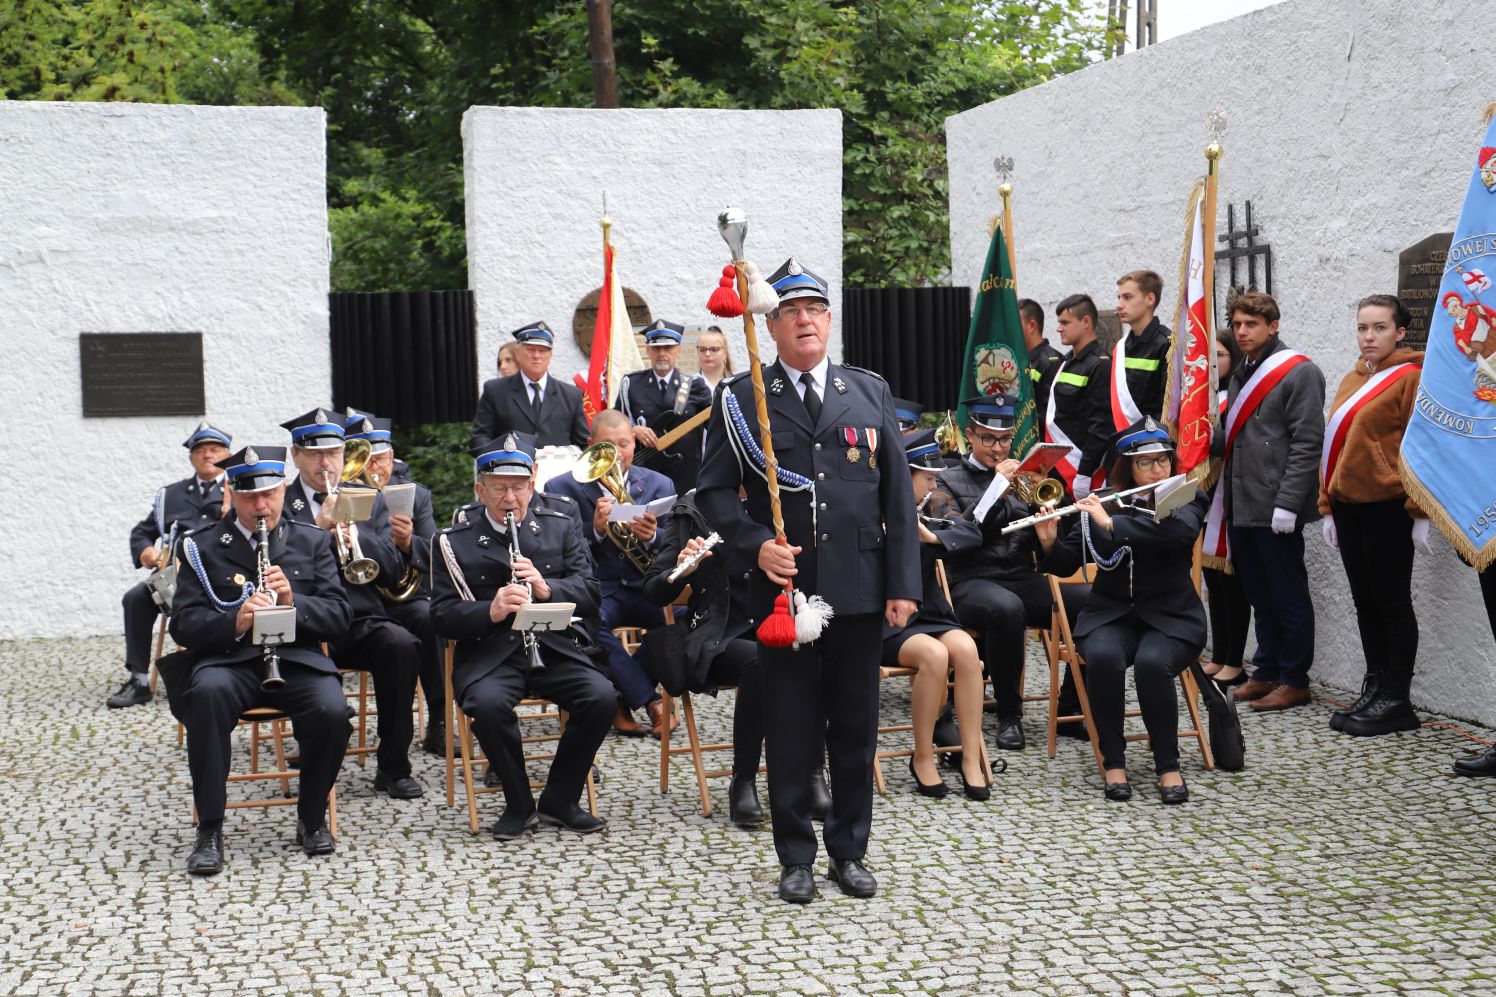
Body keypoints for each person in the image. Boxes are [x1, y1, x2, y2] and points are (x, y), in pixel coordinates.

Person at [696, 256, 919, 905]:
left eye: (814, 309)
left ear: (828, 319)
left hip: (858, 589)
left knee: (854, 730)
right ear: (772, 323)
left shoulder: (867, 390)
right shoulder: (742, 398)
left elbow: (897, 498)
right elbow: (711, 493)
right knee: (791, 730)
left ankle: (849, 850)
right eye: (790, 310)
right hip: (783, 598)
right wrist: (755, 544)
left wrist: (903, 584)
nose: (804, 320)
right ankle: (794, 855)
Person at [169, 445, 353, 874]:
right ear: (232, 493)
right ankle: (209, 828)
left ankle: (311, 818)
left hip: (296, 660)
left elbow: (340, 616)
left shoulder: (310, 540)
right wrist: (236, 620)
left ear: (282, 489)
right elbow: (184, 624)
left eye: (269, 495)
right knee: (207, 696)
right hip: (229, 662)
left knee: (332, 710)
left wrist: (293, 600)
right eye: (250, 497)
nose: (261, 506)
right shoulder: (202, 547)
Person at [430, 434, 613, 839]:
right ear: (480, 490)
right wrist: (490, 610)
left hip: (554, 645)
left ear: (532, 485)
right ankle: (518, 803)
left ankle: (560, 799)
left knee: (601, 697)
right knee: (488, 706)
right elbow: (440, 616)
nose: (510, 497)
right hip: (491, 654)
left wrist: (548, 588)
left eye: (518, 486)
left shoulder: (560, 528)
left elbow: (592, 593)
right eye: (499, 488)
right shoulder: (451, 541)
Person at [1040, 418, 1211, 804]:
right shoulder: (1104, 500)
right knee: (1102, 657)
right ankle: (1113, 762)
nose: (1157, 470)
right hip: (1111, 614)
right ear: (1127, 468)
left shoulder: (1186, 497)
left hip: (1172, 618)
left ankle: (1168, 766)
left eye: (1163, 461)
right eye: (1146, 463)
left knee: (1153, 663)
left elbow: (1179, 535)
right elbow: (1069, 562)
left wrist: (1113, 524)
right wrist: (1050, 542)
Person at [279, 408, 425, 798]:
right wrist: (318, 529)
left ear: (345, 455)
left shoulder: (368, 498)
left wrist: (356, 530)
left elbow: (394, 570)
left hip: (356, 617)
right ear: (296, 456)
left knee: (401, 644)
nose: (325, 463)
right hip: (303, 622)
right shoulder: (278, 499)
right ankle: (315, 758)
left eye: (333, 453)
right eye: (315, 454)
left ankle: (394, 765)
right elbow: (271, 565)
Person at [941, 395, 1089, 750]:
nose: (997, 447)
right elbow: (957, 537)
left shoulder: (1027, 479)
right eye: (988, 438)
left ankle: (1072, 708)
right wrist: (995, 489)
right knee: (1006, 608)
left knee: (1093, 600)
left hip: (1021, 576)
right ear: (970, 437)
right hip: (970, 580)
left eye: (1005, 439)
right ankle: (1010, 715)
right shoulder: (947, 479)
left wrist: (1050, 542)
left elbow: (1065, 563)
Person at [1319, 295, 1427, 736]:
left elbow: (1422, 450)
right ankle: (1375, 684)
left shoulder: (1412, 378)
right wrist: (1327, 506)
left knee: (1392, 601)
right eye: (1363, 328)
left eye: (1379, 328)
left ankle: (1397, 698)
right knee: (1365, 602)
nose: (1369, 337)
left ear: (1400, 332)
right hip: (1349, 507)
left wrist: (1419, 512)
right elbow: (1335, 447)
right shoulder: (1353, 379)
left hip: (1388, 506)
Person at [1219, 293, 1327, 712]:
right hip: (1241, 502)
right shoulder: (1242, 372)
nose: (1242, 332)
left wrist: (1287, 502)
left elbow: (1307, 443)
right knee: (1258, 594)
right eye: (1238, 324)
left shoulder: (1298, 372)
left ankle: (1294, 678)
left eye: (1251, 324)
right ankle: (1265, 671)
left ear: (1273, 326)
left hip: (1275, 506)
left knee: (1287, 595)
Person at [545, 409, 677, 737]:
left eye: (624, 443)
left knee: (683, 619)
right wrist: (595, 533)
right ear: (590, 446)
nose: (617, 453)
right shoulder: (561, 488)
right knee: (585, 622)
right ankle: (651, 701)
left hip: (645, 584)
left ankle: (621, 695)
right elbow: (559, 556)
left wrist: (654, 537)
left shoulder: (660, 483)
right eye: (607, 446)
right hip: (600, 588)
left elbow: (676, 543)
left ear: (634, 442)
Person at [640, 490, 766, 827]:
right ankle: (744, 780)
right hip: (720, 634)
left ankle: (812, 773)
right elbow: (654, 589)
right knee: (762, 662)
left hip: (779, 620)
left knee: (818, 652)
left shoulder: (782, 496)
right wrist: (684, 568)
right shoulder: (694, 508)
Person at [883, 430, 990, 799]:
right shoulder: (875, 508)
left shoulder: (933, 505)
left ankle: (970, 756)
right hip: (887, 620)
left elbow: (971, 533)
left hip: (929, 611)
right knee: (935, 655)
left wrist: (932, 536)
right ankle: (924, 755)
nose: (934, 483)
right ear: (903, 475)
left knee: (966, 651)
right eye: (927, 477)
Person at [343, 409, 445, 754]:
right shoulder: (341, 495)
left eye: (383, 459)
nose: (376, 468)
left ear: (392, 456)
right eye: (368, 460)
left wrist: (408, 544)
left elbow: (437, 554)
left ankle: (440, 721)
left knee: (430, 619)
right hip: (354, 597)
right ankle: (319, 725)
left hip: (402, 597)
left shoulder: (415, 494)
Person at [111, 421, 232, 709]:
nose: (207, 455)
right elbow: (142, 531)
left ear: (229, 455)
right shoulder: (172, 494)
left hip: (225, 578)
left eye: (215, 449)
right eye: (200, 451)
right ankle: (139, 679)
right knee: (136, 598)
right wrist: (146, 551)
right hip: (176, 577)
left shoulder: (240, 490)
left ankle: (214, 670)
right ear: (191, 458)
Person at [1201, 331, 1251, 688]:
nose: (1213, 362)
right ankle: (1218, 655)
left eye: (1219, 354)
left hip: (1229, 497)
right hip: (1205, 499)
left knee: (1233, 586)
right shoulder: (1203, 397)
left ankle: (1235, 660)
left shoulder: (1235, 396)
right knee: (1213, 583)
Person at [616, 319, 714, 496]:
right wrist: (633, 429)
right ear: (647, 350)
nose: (662, 353)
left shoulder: (695, 386)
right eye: (656, 348)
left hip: (686, 477)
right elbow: (615, 425)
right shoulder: (630, 384)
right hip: (644, 475)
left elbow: (716, 428)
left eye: (668, 348)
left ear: (678, 350)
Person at [470, 322, 590, 449]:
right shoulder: (495, 391)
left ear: (550, 356)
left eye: (542, 351)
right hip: (510, 467)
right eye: (530, 350)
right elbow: (480, 438)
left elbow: (582, 444)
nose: (537, 356)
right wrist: (499, 459)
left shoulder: (571, 396)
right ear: (518, 354)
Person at [1046, 294, 1113, 499]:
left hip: (1080, 469)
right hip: (1060, 466)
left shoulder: (1099, 364)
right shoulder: (1068, 360)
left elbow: (1100, 427)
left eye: (1065, 322)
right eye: (1059, 323)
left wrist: (1084, 473)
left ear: (1085, 322)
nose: (1059, 328)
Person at [1110, 270, 1172, 428]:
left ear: (1149, 299)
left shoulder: (1167, 344)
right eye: (1119, 297)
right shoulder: (1122, 346)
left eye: (1127, 297)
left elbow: (1168, 408)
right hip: (1123, 442)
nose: (1119, 305)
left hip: (1153, 442)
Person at [1020, 297, 1064, 427]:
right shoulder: (1020, 359)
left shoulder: (1050, 362)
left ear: (1032, 326)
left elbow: (1051, 414)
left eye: (1015, 323)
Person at [696, 326, 734, 395]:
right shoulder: (689, 385)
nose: (707, 354)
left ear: (725, 353)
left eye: (714, 349)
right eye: (702, 349)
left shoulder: (735, 384)